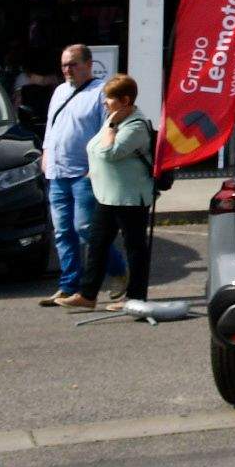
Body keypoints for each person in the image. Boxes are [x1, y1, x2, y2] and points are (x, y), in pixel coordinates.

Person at [36, 44, 124, 307]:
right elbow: (52, 127)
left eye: (73, 64)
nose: (67, 70)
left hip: (84, 173)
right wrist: (46, 152)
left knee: (85, 228)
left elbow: (106, 131)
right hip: (58, 171)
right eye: (64, 65)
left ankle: (119, 271)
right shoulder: (60, 91)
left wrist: (94, 167)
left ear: (88, 64)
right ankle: (68, 287)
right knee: (62, 232)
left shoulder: (101, 93)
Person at [67, 74, 156, 313]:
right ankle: (87, 295)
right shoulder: (113, 121)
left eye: (109, 99)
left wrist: (111, 125)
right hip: (107, 195)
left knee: (134, 247)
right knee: (97, 243)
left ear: (125, 100)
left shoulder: (135, 126)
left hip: (130, 198)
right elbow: (94, 147)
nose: (105, 103)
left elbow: (110, 152)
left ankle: (135, 297)